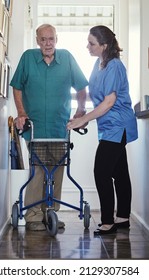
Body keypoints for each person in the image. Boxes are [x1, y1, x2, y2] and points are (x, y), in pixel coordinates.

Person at [10, 24, 88, 231]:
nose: (48, 43)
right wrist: (21, 113)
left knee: (58, 171)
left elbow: (81, 87)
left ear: (57, 39)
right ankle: (34, 216)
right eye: (43, 39)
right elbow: (17, 86)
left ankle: (50, 212)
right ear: (37, 41)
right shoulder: (28, 58)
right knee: (38, 171)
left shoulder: (67, 58)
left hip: (59, 127)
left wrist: (80, 111)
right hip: (35, 127)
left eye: (51, 39)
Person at [67, 25, 138, 235]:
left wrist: (84, 119)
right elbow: (95, 96)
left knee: (101, 172)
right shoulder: (99, 64)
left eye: (92, 43)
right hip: (108, 126)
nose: (87, 46)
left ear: (104, 46)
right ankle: (123, 218)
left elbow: (108, 102)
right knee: (119, 173)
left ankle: (108, 222)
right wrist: (78, 107)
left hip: (118, 124)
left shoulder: (115, 66)